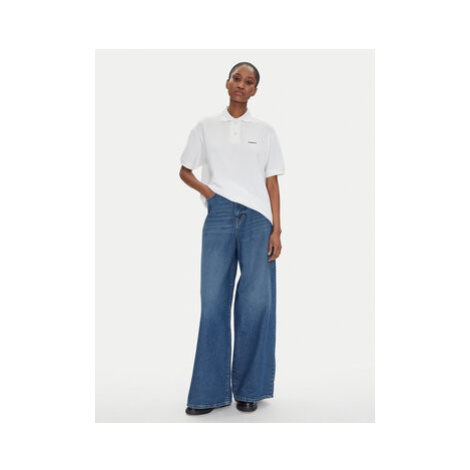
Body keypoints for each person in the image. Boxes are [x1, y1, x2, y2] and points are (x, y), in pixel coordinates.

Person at [179, 62, 285, 415]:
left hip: (258, 220)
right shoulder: (206, 126)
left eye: (249, 81)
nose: (242, 84)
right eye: (237, 78)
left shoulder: (265, 131)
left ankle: (250, 389)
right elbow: (185, 170)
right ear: (227, 83)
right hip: (219, 215)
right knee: (213, 303)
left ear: (255, 90)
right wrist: (211, 194)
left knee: (256, 304)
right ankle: (207, 393)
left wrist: (277, 229)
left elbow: (272, 181)